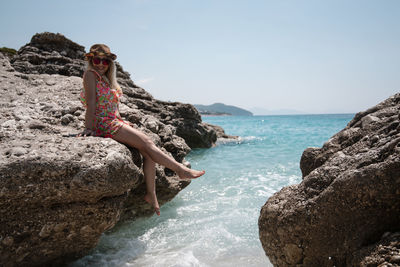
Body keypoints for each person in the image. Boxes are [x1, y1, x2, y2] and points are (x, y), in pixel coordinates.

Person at [79, 44, 205, 216]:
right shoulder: (90, 75)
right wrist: (89, 127)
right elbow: (91, 102)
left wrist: (121, 121)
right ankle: (181, 170)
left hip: (114, 121)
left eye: (105, 61)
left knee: (148, 150)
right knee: (147, 143)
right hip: (103, 123)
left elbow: (113, 106)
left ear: (110, 63)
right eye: (97, 60)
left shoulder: (107, 79)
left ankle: (151, 195)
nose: (101, 64)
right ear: (91, 60)